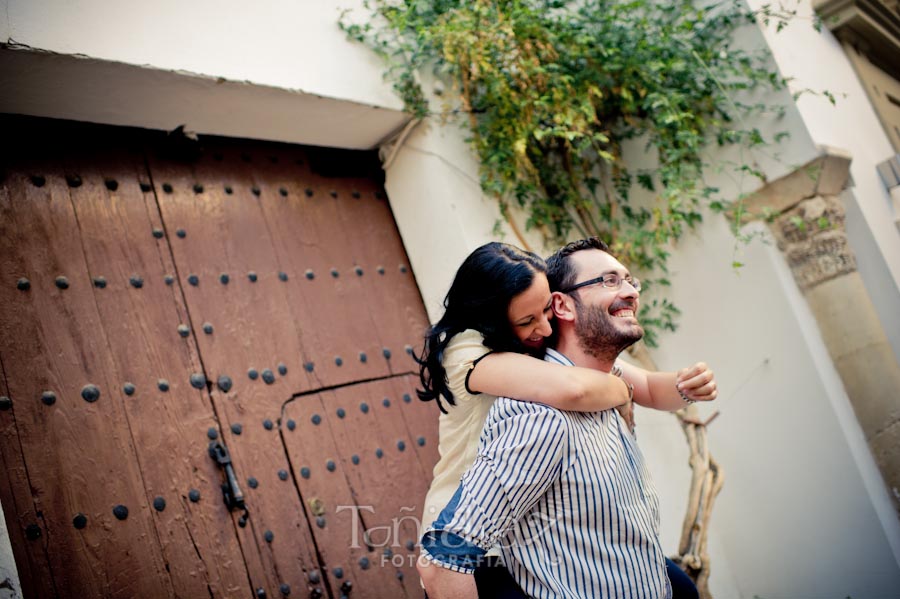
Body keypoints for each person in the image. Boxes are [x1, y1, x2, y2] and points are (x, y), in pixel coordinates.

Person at [418, 237, 716, 598]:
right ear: (493, 317)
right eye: (528, 319)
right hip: (480, 539)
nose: (545, 327)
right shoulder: (469, 353)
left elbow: (650, 387)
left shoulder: (534, 347)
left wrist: (686, 385)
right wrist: (621, 391)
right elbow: (573, 390)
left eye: (546, 310)